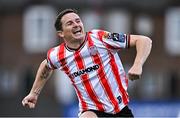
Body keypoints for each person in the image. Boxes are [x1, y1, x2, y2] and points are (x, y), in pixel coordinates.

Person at [22, 8, 152, 117]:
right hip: (91, 109)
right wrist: (34, 93)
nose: (76, 25)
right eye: (70, 23)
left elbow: (144, 40)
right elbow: (46, 66)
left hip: (119, 108)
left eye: (78, 21)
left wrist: (137, 64)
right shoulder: (57, 54)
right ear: (61, 33)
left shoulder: (100, 38)